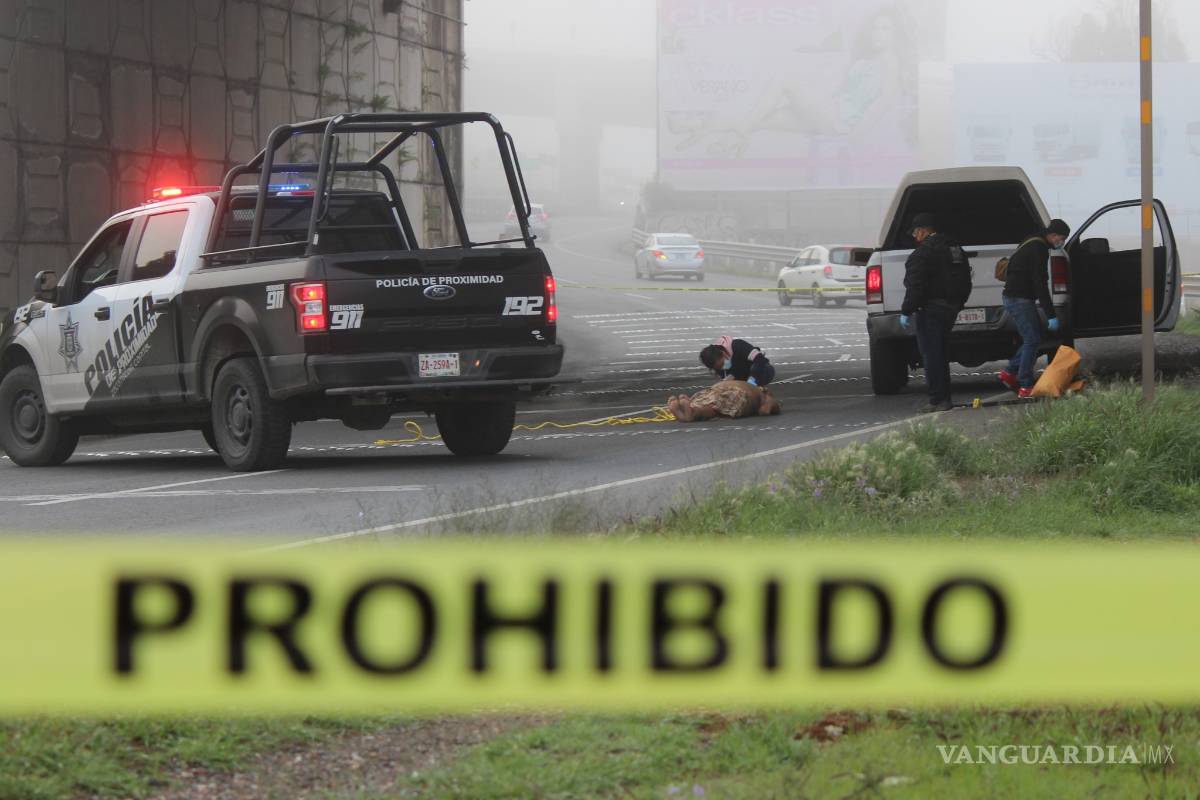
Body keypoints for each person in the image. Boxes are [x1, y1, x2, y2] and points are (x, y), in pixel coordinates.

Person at [900, 212, 973, 413]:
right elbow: (966, 279)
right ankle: (944, 398)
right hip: (951, 308)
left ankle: (938, 399)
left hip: (930, 309)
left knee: (932, 355)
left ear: (922, 231)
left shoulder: (922, 253)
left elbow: (915, 286)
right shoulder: (955, 249)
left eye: (915, 232)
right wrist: (959, 303)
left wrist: (906, 310)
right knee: (941, 353)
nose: (914, 236)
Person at [998, 219, 1070, 398]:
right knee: (1032, 340)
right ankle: (1025, 384)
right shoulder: (1039, 249)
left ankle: (1010, 372)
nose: (1061, 242)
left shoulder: (1031, 240)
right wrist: (1051, 315)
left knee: (1034, 338)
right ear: (1053, 235)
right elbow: (1040, 284)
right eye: (1061, 238)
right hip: (1019, 298)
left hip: (1015, 297)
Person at [667, 381, 781, 423]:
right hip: (736, 393)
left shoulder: (746, 384)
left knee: (705, 401)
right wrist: (773, 405)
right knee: (715, 409)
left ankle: (685, 407)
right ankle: (692, 413)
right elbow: (765, 410)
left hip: (715, 388)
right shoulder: (763, 394)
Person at [698, 336, 776, 387]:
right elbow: (729, 377)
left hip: (761, 370)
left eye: (722, 364)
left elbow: (761, 360)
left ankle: (758, 389)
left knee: (757, 368)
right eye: (719, 368)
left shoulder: (738, 345)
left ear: (723, 353)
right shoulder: (716, 365)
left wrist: (752, 380)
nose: (722, 368)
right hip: (741, 376)